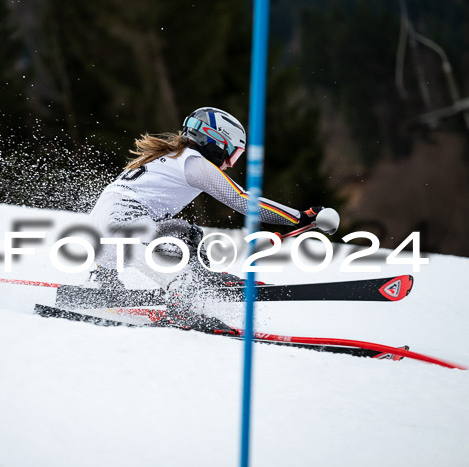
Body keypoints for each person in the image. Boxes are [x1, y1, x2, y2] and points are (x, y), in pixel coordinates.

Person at [88, 107, 333, 328]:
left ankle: (107, 279)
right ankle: (184, 304)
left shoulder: (165, 157)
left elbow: (109, 216)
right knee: (186, 243)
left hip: (101, 235)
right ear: (216, 142)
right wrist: (299, 217)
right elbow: (241, 199)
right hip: (127, 230)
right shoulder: (194, 163)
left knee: (187, 234)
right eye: (232, 154)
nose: (229, 163)